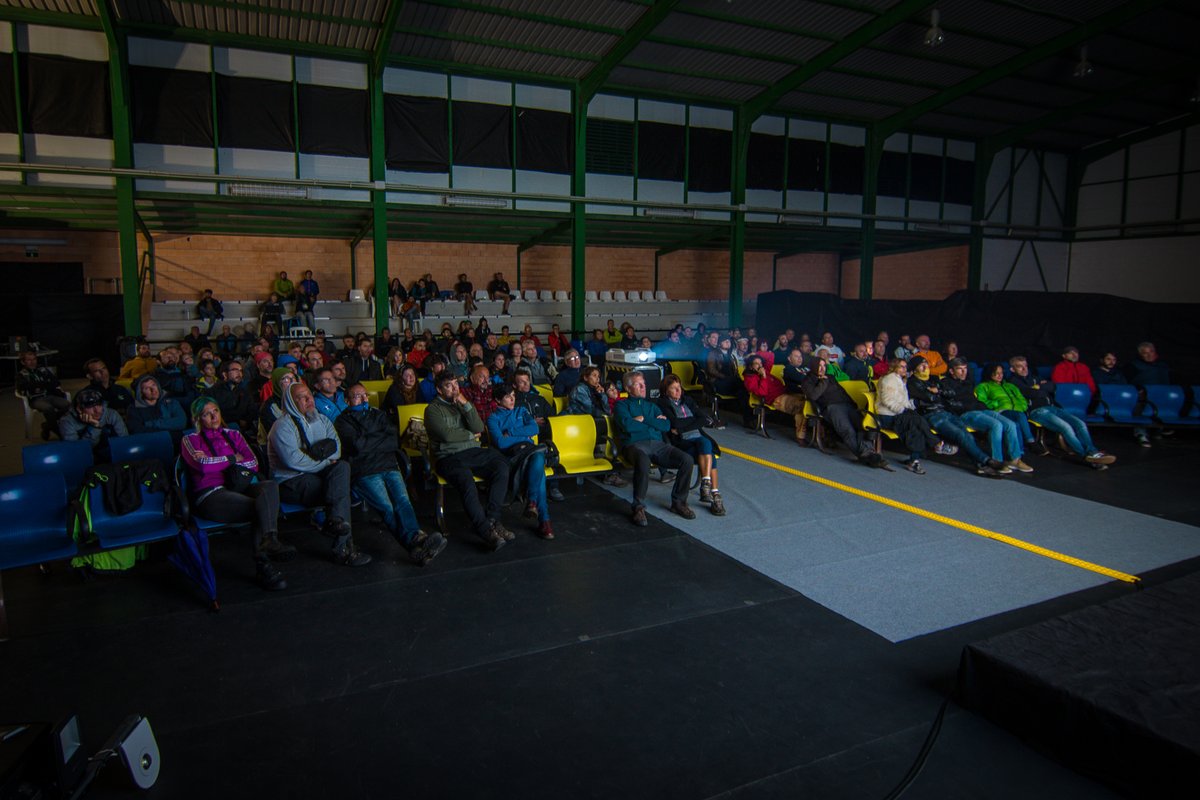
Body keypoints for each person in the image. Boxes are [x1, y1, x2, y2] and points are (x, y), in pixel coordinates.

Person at [183, 398, 290, 590]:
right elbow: (201, 466)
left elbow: (253, 463)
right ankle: (264, 565)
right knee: (260, 507)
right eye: (207, 414)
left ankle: (270, 538)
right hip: (211, 494)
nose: (214, 416)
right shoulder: (190, 439)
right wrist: (232, 458)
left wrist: (214, 461)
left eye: (216, 410)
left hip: (239, 485)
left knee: (269, 487)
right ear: (198, 419)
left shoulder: (233, 434)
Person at [335, 384, 447, 566]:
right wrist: (377, 438)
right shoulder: (343, 421)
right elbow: (358, 446)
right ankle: (416, 540)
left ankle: (416, 545)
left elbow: (393, 440)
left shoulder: (378, 414)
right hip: (364, 470)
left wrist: (369, 439)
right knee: (387, 508)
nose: (364, 399)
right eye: (357, 396)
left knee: (403, 501)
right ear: (347, 401)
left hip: (388, 464)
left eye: (365, 395)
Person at [269, 382, 371, 566]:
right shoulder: (282, 426)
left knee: (342, 467)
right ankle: (344, 547)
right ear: (292, 401)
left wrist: (321, 461)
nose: (309, 400)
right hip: (291, 482)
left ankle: (335, 522)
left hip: (317, 476)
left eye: (309, 395)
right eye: (302, 397)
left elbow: (336, 448)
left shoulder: (322, 420)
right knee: (338, 492)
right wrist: (324, 462)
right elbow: (294, 461)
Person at [424, 372, 512, 550]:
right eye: (449, 385)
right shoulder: (432, 409)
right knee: (466, 481)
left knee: (501, 465)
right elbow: (447, 436)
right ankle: (485, 530)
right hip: (448, 456)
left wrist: (465, 404)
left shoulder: (462, 403)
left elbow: (479, 427)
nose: (455, 388)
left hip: (472, 451)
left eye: (456, 383)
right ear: (439, 389)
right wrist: (471, 435)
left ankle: (493, 519)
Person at [613, 371, 695, 526]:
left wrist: (643, 419)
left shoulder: (651, 406)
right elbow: (628, 426)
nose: (644, 387)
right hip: (634, 445)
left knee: (687, 460)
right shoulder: (621, 405)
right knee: (643, 460)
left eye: (644, 383)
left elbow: (665, 426)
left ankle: (678, 502)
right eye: (639, 384)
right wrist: (652, 422)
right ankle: (638, 507)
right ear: (628, 388)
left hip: (658, 445)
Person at [1008, 356, 1115, 469]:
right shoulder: (1012, 382)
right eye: (1020, 367)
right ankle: (1087, 456)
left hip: (1054, 407)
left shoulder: (1035, 378)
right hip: (1037, 412)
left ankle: (1093, 452)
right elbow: (1030, 393)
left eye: (1025, 366)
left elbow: (1052, 386)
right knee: (1066, 428)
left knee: (1080, 424)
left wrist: (1038, 387)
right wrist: (1041, 388)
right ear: (1012, 369)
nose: (1024, 369)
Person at [906, 357, 1005, 477]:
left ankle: (981, 466)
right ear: (914, 369)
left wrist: (938, 392)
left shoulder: (933, 379)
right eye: (921, 365)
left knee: (967, 435)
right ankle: (986, 461)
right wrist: (937, 393)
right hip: (932, 415)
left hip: (947, 412)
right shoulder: (912, 382)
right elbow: (927, 398)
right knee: (960, 435)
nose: (925, 367)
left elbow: (951, 393)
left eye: (926, 364)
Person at [487, 383, 555, 539]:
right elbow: (501, 443)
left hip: (529, 451)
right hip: (512, 457)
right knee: (539, 469)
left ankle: (533, 505)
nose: (512, 399)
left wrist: (510, 432)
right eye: (507, 396)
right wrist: (523, 436)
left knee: (537, 457)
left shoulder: (521, 410)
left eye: (513, 395)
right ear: (498, 400)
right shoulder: (493, 418)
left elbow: (535, 429)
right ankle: (542, 518)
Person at [939, 358, 1029, 473]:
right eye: (960, 369)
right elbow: (950, 404)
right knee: (996, 425)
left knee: (1010, 424)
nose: (964, 372)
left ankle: (1015, 459)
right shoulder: (946, 383)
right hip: (966, 414)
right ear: (952, 371)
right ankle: (997, 461)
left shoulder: (968, 382)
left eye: (965, 369)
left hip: (981, 410)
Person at [657, 374, 725, 515]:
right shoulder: (663, 403)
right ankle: (713, 493)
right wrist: (692, 422)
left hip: (694, 437)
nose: (678, 391)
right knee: (707, 448)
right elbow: (673, 423)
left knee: (706, 446)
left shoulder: (687, 400)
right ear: (666, 391)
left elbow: (704, 419)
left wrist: (681, 428)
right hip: (681, 442)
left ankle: (709, 487)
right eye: (673, 388)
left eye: (679, 387)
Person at [802, 358, 887, 468]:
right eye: (819, 366)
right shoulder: (808, 381)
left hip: (846, 404)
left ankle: (869, 453)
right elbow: (813, 396)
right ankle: (868, 456)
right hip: (831, 407)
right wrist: (823, 381)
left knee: (862, 425)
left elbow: (841, 391)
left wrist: (852, 403)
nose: (823, 368)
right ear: (813, 367)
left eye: (824, 365)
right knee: (847, 430)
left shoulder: (830, 377)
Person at [876, 359, 950, 474]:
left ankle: (914, 460)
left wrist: (910, 406)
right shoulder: (889, 380)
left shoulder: (900, 380)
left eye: (905, 367)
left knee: (917, 423)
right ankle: (936, 443)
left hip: (898, 413)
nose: (904, 369)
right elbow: (887, 401)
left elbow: (903, 400)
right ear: (894, 367)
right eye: (901, 367)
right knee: (916, 421)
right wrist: (903, 410)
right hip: (887, 416)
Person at [974, 363, 1048, 457]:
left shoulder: (1010, 386)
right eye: (996, 373)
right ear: (989, 374)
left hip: (1016, 411)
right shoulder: (983, 386)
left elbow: (1021, 399)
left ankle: (1019, 454)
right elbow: (981, 402)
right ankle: (1031, 442)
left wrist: (1021, 407)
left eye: (1001, 373)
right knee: (1019, 416)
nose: (1000, 375)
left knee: (1016, 424)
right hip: (999, 411)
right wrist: (996, 404)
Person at [743, 354, 807, 443]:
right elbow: (762, 392)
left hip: (784, 393)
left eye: (761, 363)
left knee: (810, 403)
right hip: (775, 399)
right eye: (756, 363)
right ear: (751, 366)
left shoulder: (765, 371)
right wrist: (763, 377)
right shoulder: (750, 378)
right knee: (801, 405)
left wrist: (757, 353)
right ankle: (801, 437)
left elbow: (770, 357)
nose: (760, 365)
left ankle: (820, 436)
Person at [59, 388, 128, 463]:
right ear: (79, 409)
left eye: (99, 405)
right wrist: (94, 427)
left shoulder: (112, 414)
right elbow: (77, 452)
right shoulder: (67, 422)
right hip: (85, 460)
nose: (97, 410)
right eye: (90, 406)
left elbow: (124, 441)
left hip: (111, 456)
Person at [1125, 341, 1172, 448]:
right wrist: (1138, 390)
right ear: (1140, 355)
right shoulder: (1133, 366)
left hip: (1162, 394)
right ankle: (1141, 434)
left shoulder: (1162, 366)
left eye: (1151, 351)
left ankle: (1159, 430)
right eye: (1145, 353)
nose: (1149, 355)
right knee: (1139, 406)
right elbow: (1127, 383)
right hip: (1143, 395)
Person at [17, 351, 70, 439]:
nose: (32, 362)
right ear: (23, 362)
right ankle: (58, 431)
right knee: (48, 408)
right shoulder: (22, 374)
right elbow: (24, 387)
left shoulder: (43, 370)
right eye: (29, 360)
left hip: (50, 395)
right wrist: (44, 384)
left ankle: (47, 426)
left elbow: (55, 382)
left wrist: (38, 385)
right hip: (35, 399)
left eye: (34, 359)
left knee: (67, 405)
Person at [127, 374, 188, 447]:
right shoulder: (134, 409)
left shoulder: (170, 402)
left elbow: (181, 422)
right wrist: (168, 428)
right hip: (149, 446)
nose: (153, 390)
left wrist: (150, 424)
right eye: (147, 388)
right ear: (141, 393)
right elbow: (137, 431)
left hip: (175, 443)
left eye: (153, 385)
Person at [209, 359, 257, 432]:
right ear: (225, 374)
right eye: (235, 370)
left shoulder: (244, 391)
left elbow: (252, 410)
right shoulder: (213, 392)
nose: (239, 373)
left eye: (241, 370)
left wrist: (246, 420)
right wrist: (238, 420)